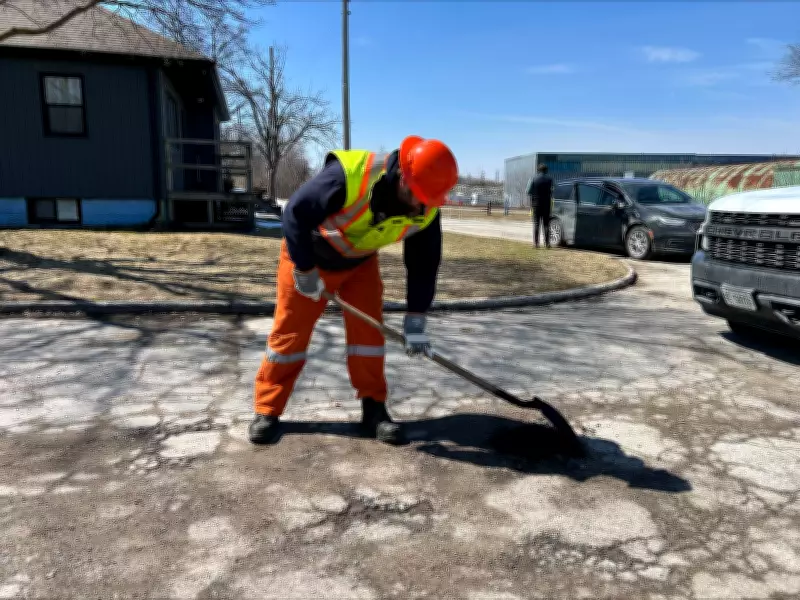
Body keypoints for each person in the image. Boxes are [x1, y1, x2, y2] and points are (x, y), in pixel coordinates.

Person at [248, 136, 459, 446]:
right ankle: (267, 409)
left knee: (368, 336)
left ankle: (373, 409)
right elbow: (295, 213)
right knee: (289, 335)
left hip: (359, 264)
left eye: (428, 199)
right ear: (402, 177)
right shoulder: (346, 177)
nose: (421, 205)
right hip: (309, 258)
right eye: (417, 196)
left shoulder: (427, 207)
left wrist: (416, 320)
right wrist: (305, 270)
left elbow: (424, 264)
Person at [526, 164, 554, 248]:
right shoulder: (550, 179)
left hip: (536, 203)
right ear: (546, 170)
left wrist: (535, 193)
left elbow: (528, 191)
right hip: (546, 203)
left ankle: (536, 243)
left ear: (538, 170)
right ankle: (547, 243)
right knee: (546, 223)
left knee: (536, 223)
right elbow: (553, 190)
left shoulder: (533, 178)